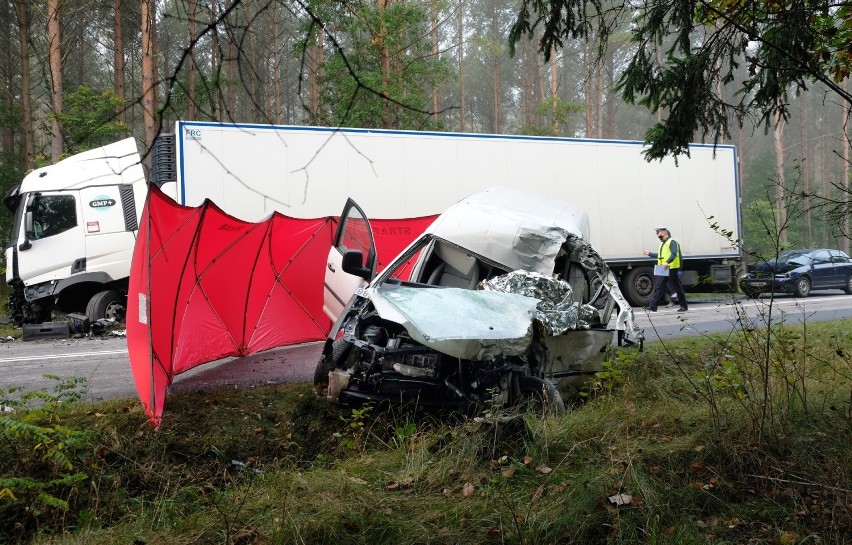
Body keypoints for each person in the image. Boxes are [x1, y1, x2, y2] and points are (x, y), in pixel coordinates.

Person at [642, 227, 688, 312]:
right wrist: (649, 253)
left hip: (671, 268)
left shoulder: (672, 242)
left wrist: (667, 262)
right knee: (659, 286)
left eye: (658, 233)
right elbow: (659, 256)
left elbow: (674, 254)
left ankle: (684, 306)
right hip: (662, 268)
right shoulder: (663, 244)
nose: (657, 235)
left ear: (663, 233)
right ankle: (653, 306)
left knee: (677, 287)